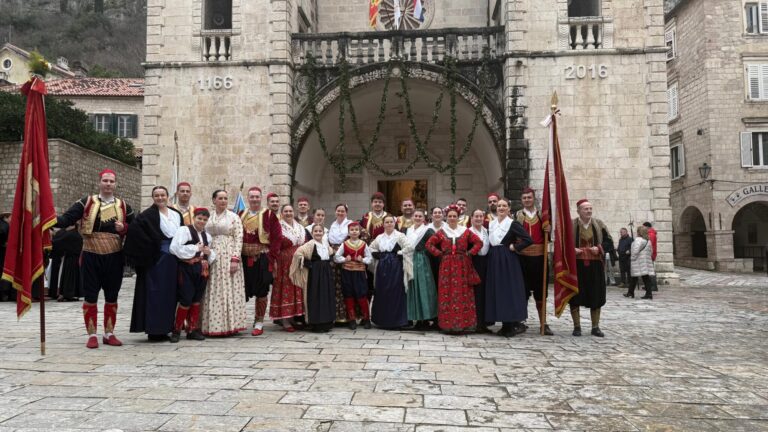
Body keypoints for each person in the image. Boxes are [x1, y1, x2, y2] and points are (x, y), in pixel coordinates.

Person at [55, 169, 135, 349]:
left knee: (112, 296)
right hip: (91, 254)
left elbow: (135, 227)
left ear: (115, 184)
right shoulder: (86, 202)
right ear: (99, 182)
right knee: (91, 296)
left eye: (111, 181)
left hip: (114, 255)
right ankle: (92, 334)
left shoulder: (123, 206)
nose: (108, 184)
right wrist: (47, 219)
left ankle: (109, 333)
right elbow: (67, 219)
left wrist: (124, 228)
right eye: (105, 181)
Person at [126, 186, 183, 341]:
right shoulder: (147, 215)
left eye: (162, 195)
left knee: (171, 293)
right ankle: (155, 329)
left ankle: (169, 327)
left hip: (175, 258)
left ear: (167, 196)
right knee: (156, 293)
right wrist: (152, 248)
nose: (160, 198)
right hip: (157, 260)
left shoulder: (176, 214)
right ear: (153, 197)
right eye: (156, 195)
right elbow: (134, 233)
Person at [425, 205, 483, 334]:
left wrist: (470, 253)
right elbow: (428, 244)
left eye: (454, 216)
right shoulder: (442, 231)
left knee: (463, 292)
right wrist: (440, 254)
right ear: (447, 217)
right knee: (447, 292)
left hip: (462, 265)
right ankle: (447, 325)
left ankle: (464, 324)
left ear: (458, 218)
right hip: (446, 266)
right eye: (450, 216)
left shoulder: (465, 231)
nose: (452, 218)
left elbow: (479, 242)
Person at [202, 190, 247, 336]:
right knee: (212, 288)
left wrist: (235, 258)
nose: (223, 201)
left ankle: (229, 324)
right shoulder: (208, 217)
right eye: (220, 198)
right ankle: (213, 325)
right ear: (214, 200)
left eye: (226, 198)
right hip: (211, 255)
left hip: (228, 254)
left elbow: (239, 238)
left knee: (228, 288)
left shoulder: (234, 217)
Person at [485, 198, 533, 337]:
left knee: (507, 290)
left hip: (507, 260)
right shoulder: (491, 224)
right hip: (493, 257)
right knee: (497, 290)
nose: (500, 208)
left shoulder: (513, 224)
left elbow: (528, 239)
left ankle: (510, 324)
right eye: (499, 205)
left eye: (504, 206)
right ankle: (502, 322)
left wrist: (515, 246)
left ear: (508, 209)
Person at [169, 208, 216, 342]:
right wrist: (195, 248)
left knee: (196, 299)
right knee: (186, 298)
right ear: (194, 218)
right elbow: (174, 248)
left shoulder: (208, 236)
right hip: (187, 268)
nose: (202, 221)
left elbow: (211, 256)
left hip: (202, 269)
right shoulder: (184, 230)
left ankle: (192, 330)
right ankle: (177, 330)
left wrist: (208, 252)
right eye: (199, 218)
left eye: (205, 219)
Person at [240, 187, 281, 336]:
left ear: (261, 198)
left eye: (257, 197)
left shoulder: (269, 215)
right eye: (252, 197)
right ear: (248, 198)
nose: (255, 199)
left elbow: (277, 238)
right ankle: (238, 320)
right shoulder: (241, 214)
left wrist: (272, 257)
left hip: (262, 258)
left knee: (262, 290)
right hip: (243, 259)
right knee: (241, 289)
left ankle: (259, 322)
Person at [570, 199, 613, 337]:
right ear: (579, 211)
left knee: (596, 294)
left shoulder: (599, 224)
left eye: (590, 208)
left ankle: (595, 327)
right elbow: (563, 243)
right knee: (575, 294)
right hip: (577, 265)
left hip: (595, 265)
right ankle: (577, 327)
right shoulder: (571, 225)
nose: (589, 211)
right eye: (585, 209)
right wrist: (573, 250)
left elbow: (609, 242)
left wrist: (599, 248)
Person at [515, 187, 553, 336]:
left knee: (541, 292)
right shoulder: (517, 216)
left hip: (539, 258)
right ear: (521, 200)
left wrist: (549, 230)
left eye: (529, 197)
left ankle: (543, 322)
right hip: (522, 258)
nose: (527, 200)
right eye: (524, 198)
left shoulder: (543, 216)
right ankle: (521, 321)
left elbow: (551, 237)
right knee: (522, 291)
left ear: (533, 198)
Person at [290, 224, 336, 332]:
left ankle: (327, 322)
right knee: (316, 297)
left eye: (320, 231)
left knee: (326, 296)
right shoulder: (310, 245)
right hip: (315, 275)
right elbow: (298, 254)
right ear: (312, 233)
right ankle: (316, 324)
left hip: (326, 274)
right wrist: (309, 264)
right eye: (316, 231)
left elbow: (331, 254)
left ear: (323, 233)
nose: (318, 233)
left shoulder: (325, 244)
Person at [369, 215, 413, 329]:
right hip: (382, 267)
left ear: (395, 224)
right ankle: (382, 320)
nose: (389, 224)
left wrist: (400, 253)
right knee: (382, 291)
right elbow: (371, 248)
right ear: (383, 224)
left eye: (391, 222)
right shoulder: (379, 237)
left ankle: (397, 321)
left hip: (396, 266)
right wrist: (377, 254)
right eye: (387, 222)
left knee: (396, 291)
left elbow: (409, 247)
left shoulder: (400, 236)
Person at [270, 204, 306, 332]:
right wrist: (273, 262)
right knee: (285, 288)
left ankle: (292, 318)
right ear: (282, 213)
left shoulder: (300, 227)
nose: (288, 213)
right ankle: (284, 320)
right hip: (283, 263)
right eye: (286, 211)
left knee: (296, 288)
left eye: (290, 211)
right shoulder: (278, 227)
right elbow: (273, 245)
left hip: (298, 262)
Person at [334, 221, 372, 329]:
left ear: (359, 232)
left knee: (362, 295)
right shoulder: (344, 244)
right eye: (352, 230)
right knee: (348, 295)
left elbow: (370, 259)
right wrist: (344, 259)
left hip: (359, 273)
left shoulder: (363, 244)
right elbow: (336, 257)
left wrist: (363, 259)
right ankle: (352, 319)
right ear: (348, 232)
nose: (354, 232)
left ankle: (366, 319)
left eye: (356, 230)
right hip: (347, 273)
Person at [404, 209, 437, 330]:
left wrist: (425, 254)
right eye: (416, 216)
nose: (417, 218)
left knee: (423, 289)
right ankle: (414, 317)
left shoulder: (428, 231)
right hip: (408, 260)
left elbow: (435, 244)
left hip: (422, 262)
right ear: (412, 217)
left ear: (424, 219)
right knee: (412, 290)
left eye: (420, 216)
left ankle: (425, 318)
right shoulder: (406, 230)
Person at [469, 209, 491, 333]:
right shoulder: (468, 232)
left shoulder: (487, 231)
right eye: (476, 216)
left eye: (480, 216)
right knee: (475, 294)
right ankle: (474, 322)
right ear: (471, 218)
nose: (478, 218)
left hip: (486, 264)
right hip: (474, 263)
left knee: (484, 294)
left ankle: (483, 323)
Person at [48, 225, 83, 302]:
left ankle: (68, 294)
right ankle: (71, 294)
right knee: (72, 277)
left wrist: (47, 242)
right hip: (72, 258)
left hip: (71, 259)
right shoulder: (75, 233)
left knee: (69, 277)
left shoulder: (70, 234)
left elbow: (58, 242)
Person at [625, 226, 655, 300]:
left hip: (638, 262)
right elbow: (651, 252)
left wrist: (632, 259)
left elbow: (635, 251)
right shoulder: (648, 241)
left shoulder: (638, 240)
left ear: (639, 232)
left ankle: (632, 293)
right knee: (644, 278)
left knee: (635, 278)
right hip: (645, 262)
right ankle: (633, 292)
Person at [0, 211, 13, 301]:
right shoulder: (5, 225)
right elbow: (2, 233)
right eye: (11, 218)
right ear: (6, 217)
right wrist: (4, 243)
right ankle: (3, 294)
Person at [642, 222, 658, 293]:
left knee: (650, 271)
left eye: (643, 227)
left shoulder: (651, 235)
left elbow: (648, 245)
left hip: (650, 255)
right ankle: (648, 285)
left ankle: (653, 286)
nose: (643, 229)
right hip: (649, 254)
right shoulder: (649, 234)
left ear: (647, 227)